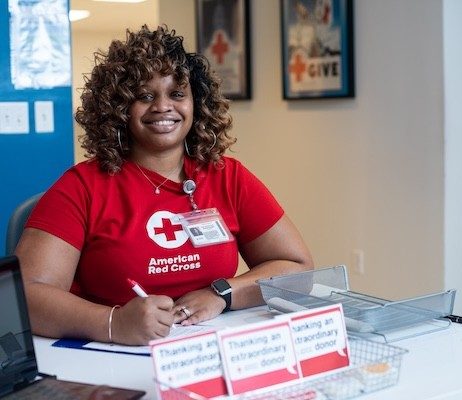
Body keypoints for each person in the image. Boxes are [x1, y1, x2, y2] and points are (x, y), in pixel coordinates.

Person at [15, 25, 313, 346]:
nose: (162, 106)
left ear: (196, 103)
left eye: (177, 93)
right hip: (109, 355)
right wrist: (113, 322)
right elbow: (25, 296)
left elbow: (298, 269)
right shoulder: (82, 187)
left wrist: (223, 294)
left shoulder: (227, 176)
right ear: (118, 108)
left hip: (206, 351)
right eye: (144, 96)